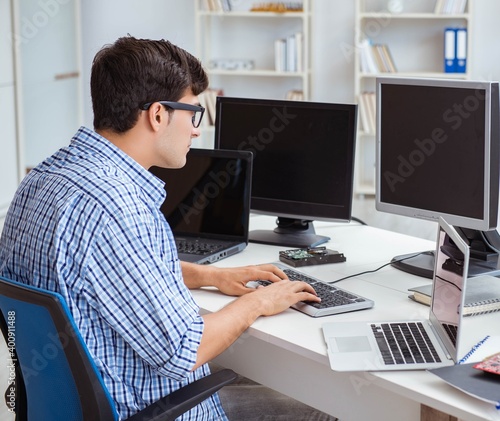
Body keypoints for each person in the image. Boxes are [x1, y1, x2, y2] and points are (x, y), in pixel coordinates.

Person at [0, 36, 336, 420]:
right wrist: (259, 301)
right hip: (150, 408)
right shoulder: (121, 210)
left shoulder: (41, 180)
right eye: (193, 113)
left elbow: (98, 274)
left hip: (72, 407)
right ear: (158, 115)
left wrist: (208, 276)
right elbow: (183, 350)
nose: (196, 130)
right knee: (322, 408)